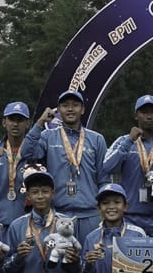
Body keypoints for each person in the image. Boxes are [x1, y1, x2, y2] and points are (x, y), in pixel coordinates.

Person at [22, 90, 109, 246]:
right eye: (65, 105)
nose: (70, 109)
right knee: (60, 258)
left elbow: (103, 178)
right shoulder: (48, 136)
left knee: (91, 257)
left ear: (82, 109)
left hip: (89, 215)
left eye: (75, 105)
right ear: (58, 110)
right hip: (58, 214)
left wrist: (104, 209)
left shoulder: (97, 139)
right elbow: (27, 153)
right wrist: (40, 123)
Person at [100, 94, 153, 236]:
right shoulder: (123, 141)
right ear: (136, 116)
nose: (149, 116)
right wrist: (129, 141)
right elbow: (107, 167)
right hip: (130, 217)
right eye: (144, 112)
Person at [0, 101, 33, 229]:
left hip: (27, 222)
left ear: (28, 124)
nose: (15, 124)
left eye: (20, 120)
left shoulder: (34, 152)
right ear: (4, 122)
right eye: (12, 119)